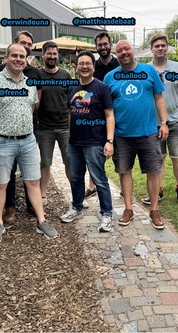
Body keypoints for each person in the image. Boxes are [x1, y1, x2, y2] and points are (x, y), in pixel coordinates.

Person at [0, 43, 58, 244]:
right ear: (6, 58)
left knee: (32, 181)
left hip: (28, 141)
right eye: (14, 55)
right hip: (1, 142)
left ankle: (41, 220)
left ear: (26, 59)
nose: (18, 59)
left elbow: (30, 109)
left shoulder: (30, 84)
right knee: (1, 183)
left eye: (22, 56)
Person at [103, 39, 169, 230]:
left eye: (126, 49)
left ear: (133, 50)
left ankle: (154, 210)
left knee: (154, 171)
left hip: (148, 131)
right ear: (116, 54)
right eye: (120, 51)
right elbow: (108, 109)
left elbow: (159, 98)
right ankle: (128, 208)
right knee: (124, 171)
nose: (124, 53)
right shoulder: (110, 77)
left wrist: (164, 123)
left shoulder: (149, 72)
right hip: (122, 134)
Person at [61, 51, 115, 232]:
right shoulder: (73, 89)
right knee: (76, 178)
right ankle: (76, 206)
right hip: (75, 143)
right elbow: (71, 114)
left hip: (95, 141)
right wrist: (70, 135)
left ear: (93, 66)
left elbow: (109, 115)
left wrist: (109, 141)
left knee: (99, 179)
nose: (84, 66)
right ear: (76, 67)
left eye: (88, 63)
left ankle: (107, 213)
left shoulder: (101, 88)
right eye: (81, 63)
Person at [0, 30, 41, 225]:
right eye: (23, 43)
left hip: (29, 129)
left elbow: (36, 102)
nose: (27, 47)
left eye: (29, 45)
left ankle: (33, 207)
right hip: (4, 136)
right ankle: (10, 207)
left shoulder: (34, 73)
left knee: (31, 173)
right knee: (8, 174)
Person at [146, 34, 178, 205]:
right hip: (154, 122)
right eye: (156, 46)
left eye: (163, 45)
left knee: (177, 156)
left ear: (167, 48)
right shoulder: (145, 70)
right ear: (151, 49)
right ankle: (158, 190)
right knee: (159, 158)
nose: (160, 48)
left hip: (176, 119)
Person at [85, 31, 121, 199]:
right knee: (97, 152)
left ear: (110, 45)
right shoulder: (95, 66)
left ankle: (123, 187)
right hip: (99, 116)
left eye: (105, 44)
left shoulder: (119, 63)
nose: (103, 47)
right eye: (100, 45)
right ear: (96, 47)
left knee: (120, 153)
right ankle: (92, 186)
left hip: (119, 114)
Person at [37, 41, 71, 203]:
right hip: (44, 128)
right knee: (45, 163)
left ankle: (76, 194)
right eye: (49, 53)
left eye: (54, 54)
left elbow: (72, 101)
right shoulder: (37, 76)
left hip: (64, 126)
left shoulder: (65, 75)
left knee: (69, 162)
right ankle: (42, 195)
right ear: (43, 55)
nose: (52, 56)